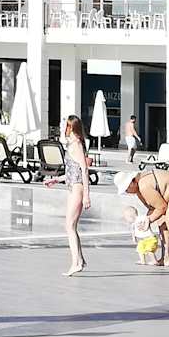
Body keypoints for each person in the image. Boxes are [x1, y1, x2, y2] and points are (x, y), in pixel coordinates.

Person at [118, 166, 169, 267]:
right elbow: (153, 208)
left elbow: (162, 207)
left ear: (132, 182)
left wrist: (148, 220)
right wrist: (143, 222)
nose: (127, 192)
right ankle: (165, 258)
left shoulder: (144, 186)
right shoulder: (139, 190)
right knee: (162, 223)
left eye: (126, 188)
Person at [62, 113, 91, 275]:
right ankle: (80, 260)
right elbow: (72, 170)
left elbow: (84, 170)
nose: (65, 129)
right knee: (71, 226)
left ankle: (76, 263)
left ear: (73, 128)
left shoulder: (76, 145)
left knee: (69, 226)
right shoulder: (73, 144)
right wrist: (57, 179)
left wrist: (87, 195)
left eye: (68, 126)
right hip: (73, 186)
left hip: (77, 188)